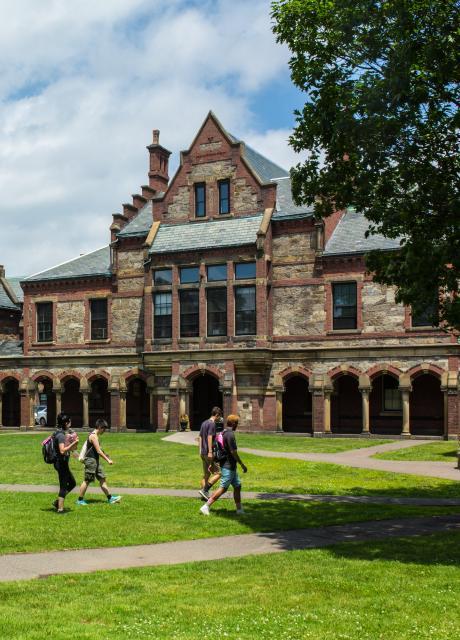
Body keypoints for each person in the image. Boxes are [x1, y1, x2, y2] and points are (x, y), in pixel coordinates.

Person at [200, 414, 247, 516]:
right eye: (237, 423)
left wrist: (212, 462)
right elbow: (233, 452)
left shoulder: (222, 433)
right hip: (228, 466)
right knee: (223, 488)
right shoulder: (230, 434)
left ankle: (239, 510)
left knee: (237, 486)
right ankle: (206, 506)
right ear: (233, 423)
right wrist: (242, 464)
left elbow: (215, 448)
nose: (237, 425)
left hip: (229, 466)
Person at [76, 418, 121, 506]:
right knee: (87, 480)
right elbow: (98, 451)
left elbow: (99, 449)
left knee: (102, 478)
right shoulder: (93, 436)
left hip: (95, 461)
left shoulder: (96, 436)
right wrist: (108, 460)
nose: (104, 431)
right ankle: (79, 500)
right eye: (104, 429)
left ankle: (110, 498)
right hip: (90, 461)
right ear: (100, 427)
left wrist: (106, 454)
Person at [53, 413, 79, 513]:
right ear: (66, 423)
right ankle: (60, 509)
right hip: (60, 463)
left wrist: (75, 452)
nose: (70, 423)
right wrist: (74, 443)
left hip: (63, 462)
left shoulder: (62, 433)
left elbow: (68, 449)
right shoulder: (60, 435)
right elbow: (62, 450)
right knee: (63, 486)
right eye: (69, 421)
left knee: (72, 483)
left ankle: (57, 502)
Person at [198, 406, 222, 500]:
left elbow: (200, 436)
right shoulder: (212, 424)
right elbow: (209, 437)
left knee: (207, 474)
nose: (219, 418)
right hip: (208, 453)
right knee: (219, 473)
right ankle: (205, 490)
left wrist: (200, 450)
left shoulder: (204, 423)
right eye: (219, 416)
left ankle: (204, 493)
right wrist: (210, 452)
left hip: (202, 452)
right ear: (216, 414)